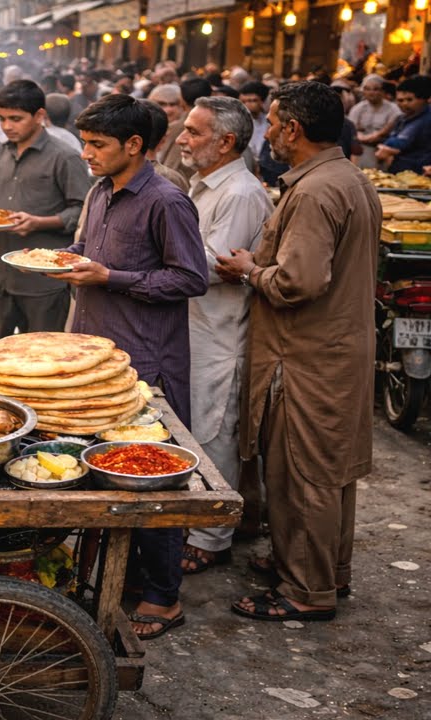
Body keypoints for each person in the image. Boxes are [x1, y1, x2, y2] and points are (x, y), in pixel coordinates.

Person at [219, 81, 380, 623]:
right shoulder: (346, 176)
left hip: (308, 355)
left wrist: (249, 270)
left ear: (293, 129)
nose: (266, 133)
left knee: (302, 471)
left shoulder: (314, 191)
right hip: (336, 349)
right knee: (328, 470)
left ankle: (306, 591)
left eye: (271, 122)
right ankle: (325, 568)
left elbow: (298, 282)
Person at [57, 94, 208, 640]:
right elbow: (91, 249)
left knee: (153, 477)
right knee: (107, 472)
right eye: (85, 142)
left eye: (97, 144)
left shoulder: (167, 201)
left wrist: (109, 277)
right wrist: (71, 259)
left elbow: (191, 278)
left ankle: (164, 597)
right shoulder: (101, 191)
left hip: (148, 363)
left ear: (134, 145)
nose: (87, 154)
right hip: (97, 357)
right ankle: (126, 578)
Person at [173, 96, 272, 574]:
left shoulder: (240, 192)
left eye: (193, 132)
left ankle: (212, 538)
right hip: (196, 327)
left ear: (226, 141)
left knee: (215, 432)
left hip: (220, 334)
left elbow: (213, 265)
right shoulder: (207, 186)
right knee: (198, 427)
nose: (182, 139)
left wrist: (153, 260)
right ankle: (207, 521)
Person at [0, 80, 90, 339]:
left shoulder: (64, 156)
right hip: (1, 276)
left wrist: (40, 222)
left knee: (43, 352)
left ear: (40, 116)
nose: (7, 126)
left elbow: (83, 212)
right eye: (2, 118)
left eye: (16, 119)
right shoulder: (0, 152)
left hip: (44, 281)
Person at [376, 75, 431, 174]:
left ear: (424, 99)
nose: (404, 104)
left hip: (420, 176)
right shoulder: (401, 119)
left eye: (409, 100)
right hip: (398, 172)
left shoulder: (428, 119)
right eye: (400, 100)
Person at [349, 74, 400, 169]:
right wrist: (361, 137)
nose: (371, 93)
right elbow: (352, 130)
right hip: (362, 151)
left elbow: (394, 129)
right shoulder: (357, 109)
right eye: (367, 89)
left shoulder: (393, 109)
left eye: (376, 89)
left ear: (383, 91)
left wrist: (377, 135)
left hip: (383, 150)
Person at [239, 81, 271, 157]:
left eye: (252, 101)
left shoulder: (269, 122)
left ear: (262, 102)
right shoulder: (237, 123)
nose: (246, 105)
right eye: (243, 101)